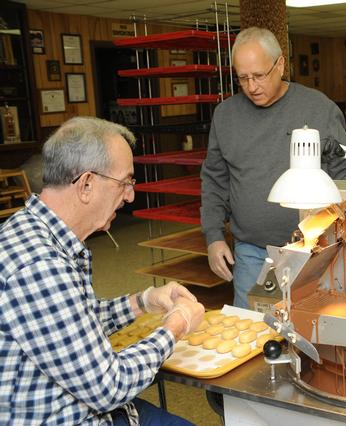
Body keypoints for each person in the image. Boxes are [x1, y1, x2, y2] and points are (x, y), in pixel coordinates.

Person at [0, 117, 205, 424]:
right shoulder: (40, 266)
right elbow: (109, 387)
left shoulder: (31, 231)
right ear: (86, 184)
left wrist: (142, 302)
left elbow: (72, 325)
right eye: (125, 182)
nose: (130, 196)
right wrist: (176, 325)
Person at [201, 27, 346, 309]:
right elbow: (215, 181)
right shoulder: (225, 116)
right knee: (251, 337)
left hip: (315, 251)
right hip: (252, 252)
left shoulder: (317, 108)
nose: (251, 86)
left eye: (259, 76)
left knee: (314, 331)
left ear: (281, 64)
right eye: (243, 78)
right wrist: (213, 236)